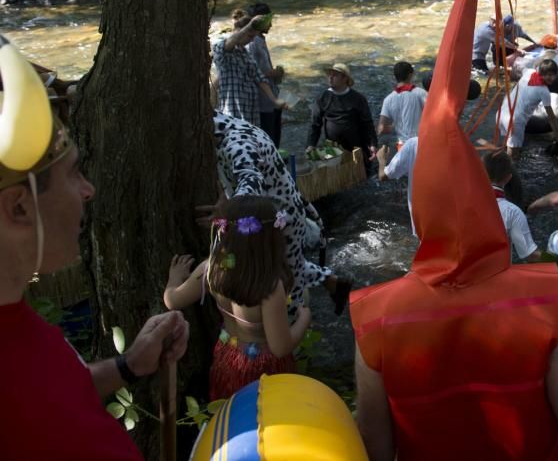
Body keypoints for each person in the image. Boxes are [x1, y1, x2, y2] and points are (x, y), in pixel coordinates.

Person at [352, 0, 558, 461]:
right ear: (488, 200)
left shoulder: (374, 316)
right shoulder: (543, 297)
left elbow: (375, 447)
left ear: (422, 212)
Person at [0, 37, 189, 460]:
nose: (88, 190)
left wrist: (129, 366)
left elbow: (55, 387)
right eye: (73, 174)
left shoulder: (16, 313)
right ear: (19, 207)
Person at [164, 195, 310, 401]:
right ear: (271, 239)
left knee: (231, 413)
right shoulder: (269, 286)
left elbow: (172, 301)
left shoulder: (211, 268)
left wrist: (174, 279)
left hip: (228, 358)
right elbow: (280, 347)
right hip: (264, 372)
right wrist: (304, 318)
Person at [212, 110, 351, 316]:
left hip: (281, 217)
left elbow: (250, 181)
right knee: (285, 263)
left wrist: (226, 214)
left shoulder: (236, 143)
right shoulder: (223, 126)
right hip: (277, 209)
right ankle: (333, 282)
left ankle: (293, 323)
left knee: (287, 279)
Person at [213, 12, 288, 126]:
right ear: (239, 31)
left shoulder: (245, 53)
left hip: (251, 113)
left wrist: (274, 100)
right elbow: (227, 45)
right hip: (232, 113)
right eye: (250, 36)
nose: (252, 40)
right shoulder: (221, 45)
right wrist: (249, 26)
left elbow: (260, 78)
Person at [309, 63, 378, 173]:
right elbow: (315, 124)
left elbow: (367, 124)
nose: (330, 78)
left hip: (355, 146)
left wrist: (373, 144)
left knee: (361, 176)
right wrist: (311, 144)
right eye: (329, 75)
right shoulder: (323, 98)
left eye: (335, 75)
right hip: (332, 147)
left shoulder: (358, 98)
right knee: (334, 177)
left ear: (345, 78)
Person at [497, 58, 558, 159]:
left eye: (551, 75)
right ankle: (506, 173)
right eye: (546, 74)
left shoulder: (529, 72)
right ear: (541, 73)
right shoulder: (544, 91)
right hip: (515, 121)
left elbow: (518, 68)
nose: (549, 77)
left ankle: (494, 168)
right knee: (513, 157)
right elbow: (551, 118)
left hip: (502, 114)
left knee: (505, 148)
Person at [482, 149, 541, 262]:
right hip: (495, 275)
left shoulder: (461, 202)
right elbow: (530, 255)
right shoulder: (512, 212)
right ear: (509, 178)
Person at [245, 3, 286, 146]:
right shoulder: (252, 42)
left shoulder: (260, 39)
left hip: (271, 99)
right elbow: (251, 73)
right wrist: (274, 72)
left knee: (275, 141)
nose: (271, 25)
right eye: (269, 21)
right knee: (268, 143)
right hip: (262, 104)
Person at [376, 136, 418, 234]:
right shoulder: (458, 145)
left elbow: (383, 175)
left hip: (424, 225)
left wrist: (382, 160)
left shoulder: (414, 144)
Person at [377, 61, 428, 144]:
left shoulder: (388, 99)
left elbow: (381, 129)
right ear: (410, 75)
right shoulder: (421, 93)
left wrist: (394, 126)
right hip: (420, 143)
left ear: (395, 77)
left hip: (402, 146)